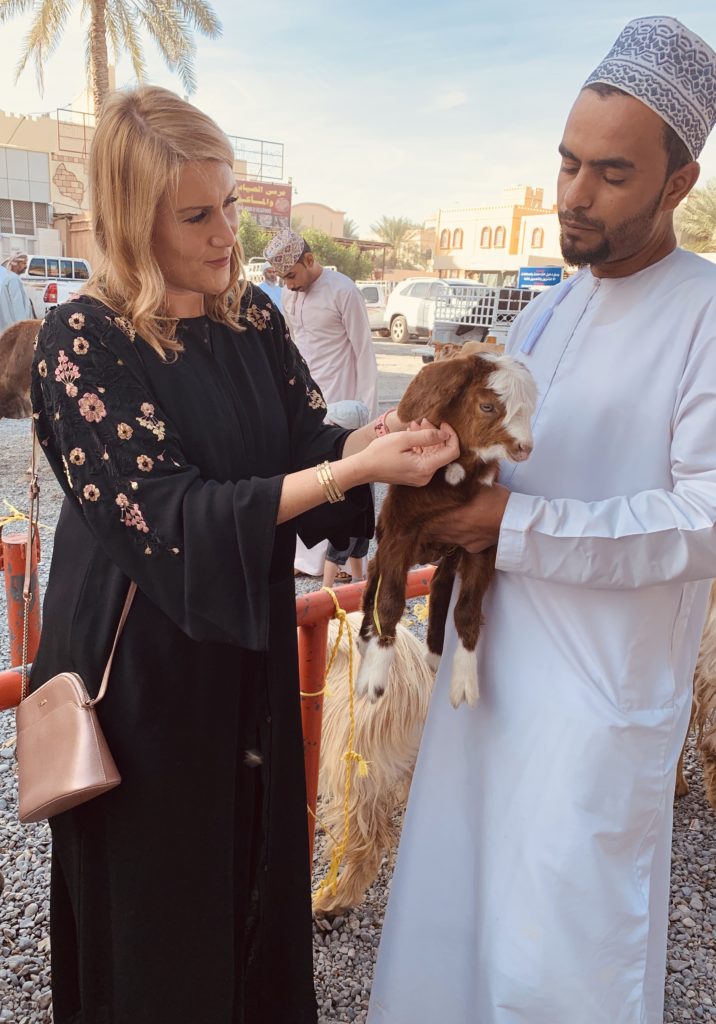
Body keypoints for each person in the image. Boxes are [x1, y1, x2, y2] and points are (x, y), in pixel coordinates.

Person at [30, 85, 459, 1024]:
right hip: (143, 677)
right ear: (129, 220)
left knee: (256, 877)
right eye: (196, 214)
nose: (227, 234)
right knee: (159, 907)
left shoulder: (251, 317)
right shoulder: (82, 339)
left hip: (246, 650)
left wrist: (372, 442)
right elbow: (168, 515)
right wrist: (346, 476)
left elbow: (308, 442)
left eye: (231, 205)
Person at [368, 17, 716, 1024]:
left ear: (676, 182)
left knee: (557, 966)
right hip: (487, 684)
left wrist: (504, 528)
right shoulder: (545, 310)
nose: (572, 194)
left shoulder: (703, 313)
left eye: (610, 173)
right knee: (454, 930)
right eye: (565, 163)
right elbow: (493, 448)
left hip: (593, 709)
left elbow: (702, 518)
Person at [265, 229, 379, 576]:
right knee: (307, 473)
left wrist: (369, 416)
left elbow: (364, 351)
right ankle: (304, 560)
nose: (288, 284)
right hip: (306, 401)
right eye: (283, 278)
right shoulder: (290, 296)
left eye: (292, 275)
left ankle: (338, 560)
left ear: (310, 260)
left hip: (342, 400)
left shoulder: (342, 290)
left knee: (342, 479)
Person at [321, 399, 372, 586]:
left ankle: (329, 586)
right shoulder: (366, 452)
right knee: (351, 548)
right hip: (360, 514)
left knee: (341, 549)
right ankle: (351, 583)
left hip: (348, 515)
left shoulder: (342, 454)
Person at [0, 256, 33, 332]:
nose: (26, 266)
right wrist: (24, 329)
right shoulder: (13, 279)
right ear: (15, 264)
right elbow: (18, 308)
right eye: (23, 263)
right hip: (12, 331)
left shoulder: (5, 277)